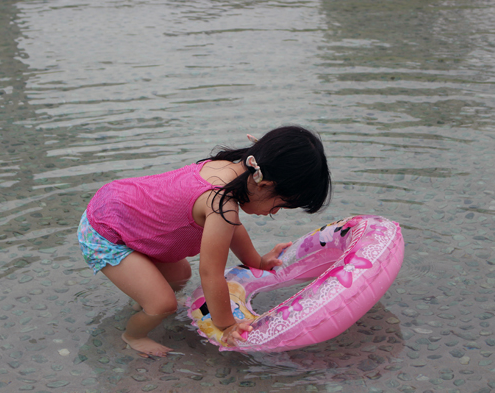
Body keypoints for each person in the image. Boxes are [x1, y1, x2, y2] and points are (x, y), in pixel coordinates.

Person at [77, 125, 332, 357]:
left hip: (125, 211)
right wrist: (226, 325)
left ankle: (141, 298)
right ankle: (132, 335)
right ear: (265, 184)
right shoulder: (221, 202)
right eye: (280, 205)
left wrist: (257, 261)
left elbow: (233, 228)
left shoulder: (228, 170)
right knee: (163, 304)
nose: (274, 213)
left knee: (179, 275)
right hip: (105, 230)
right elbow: (211, 274)